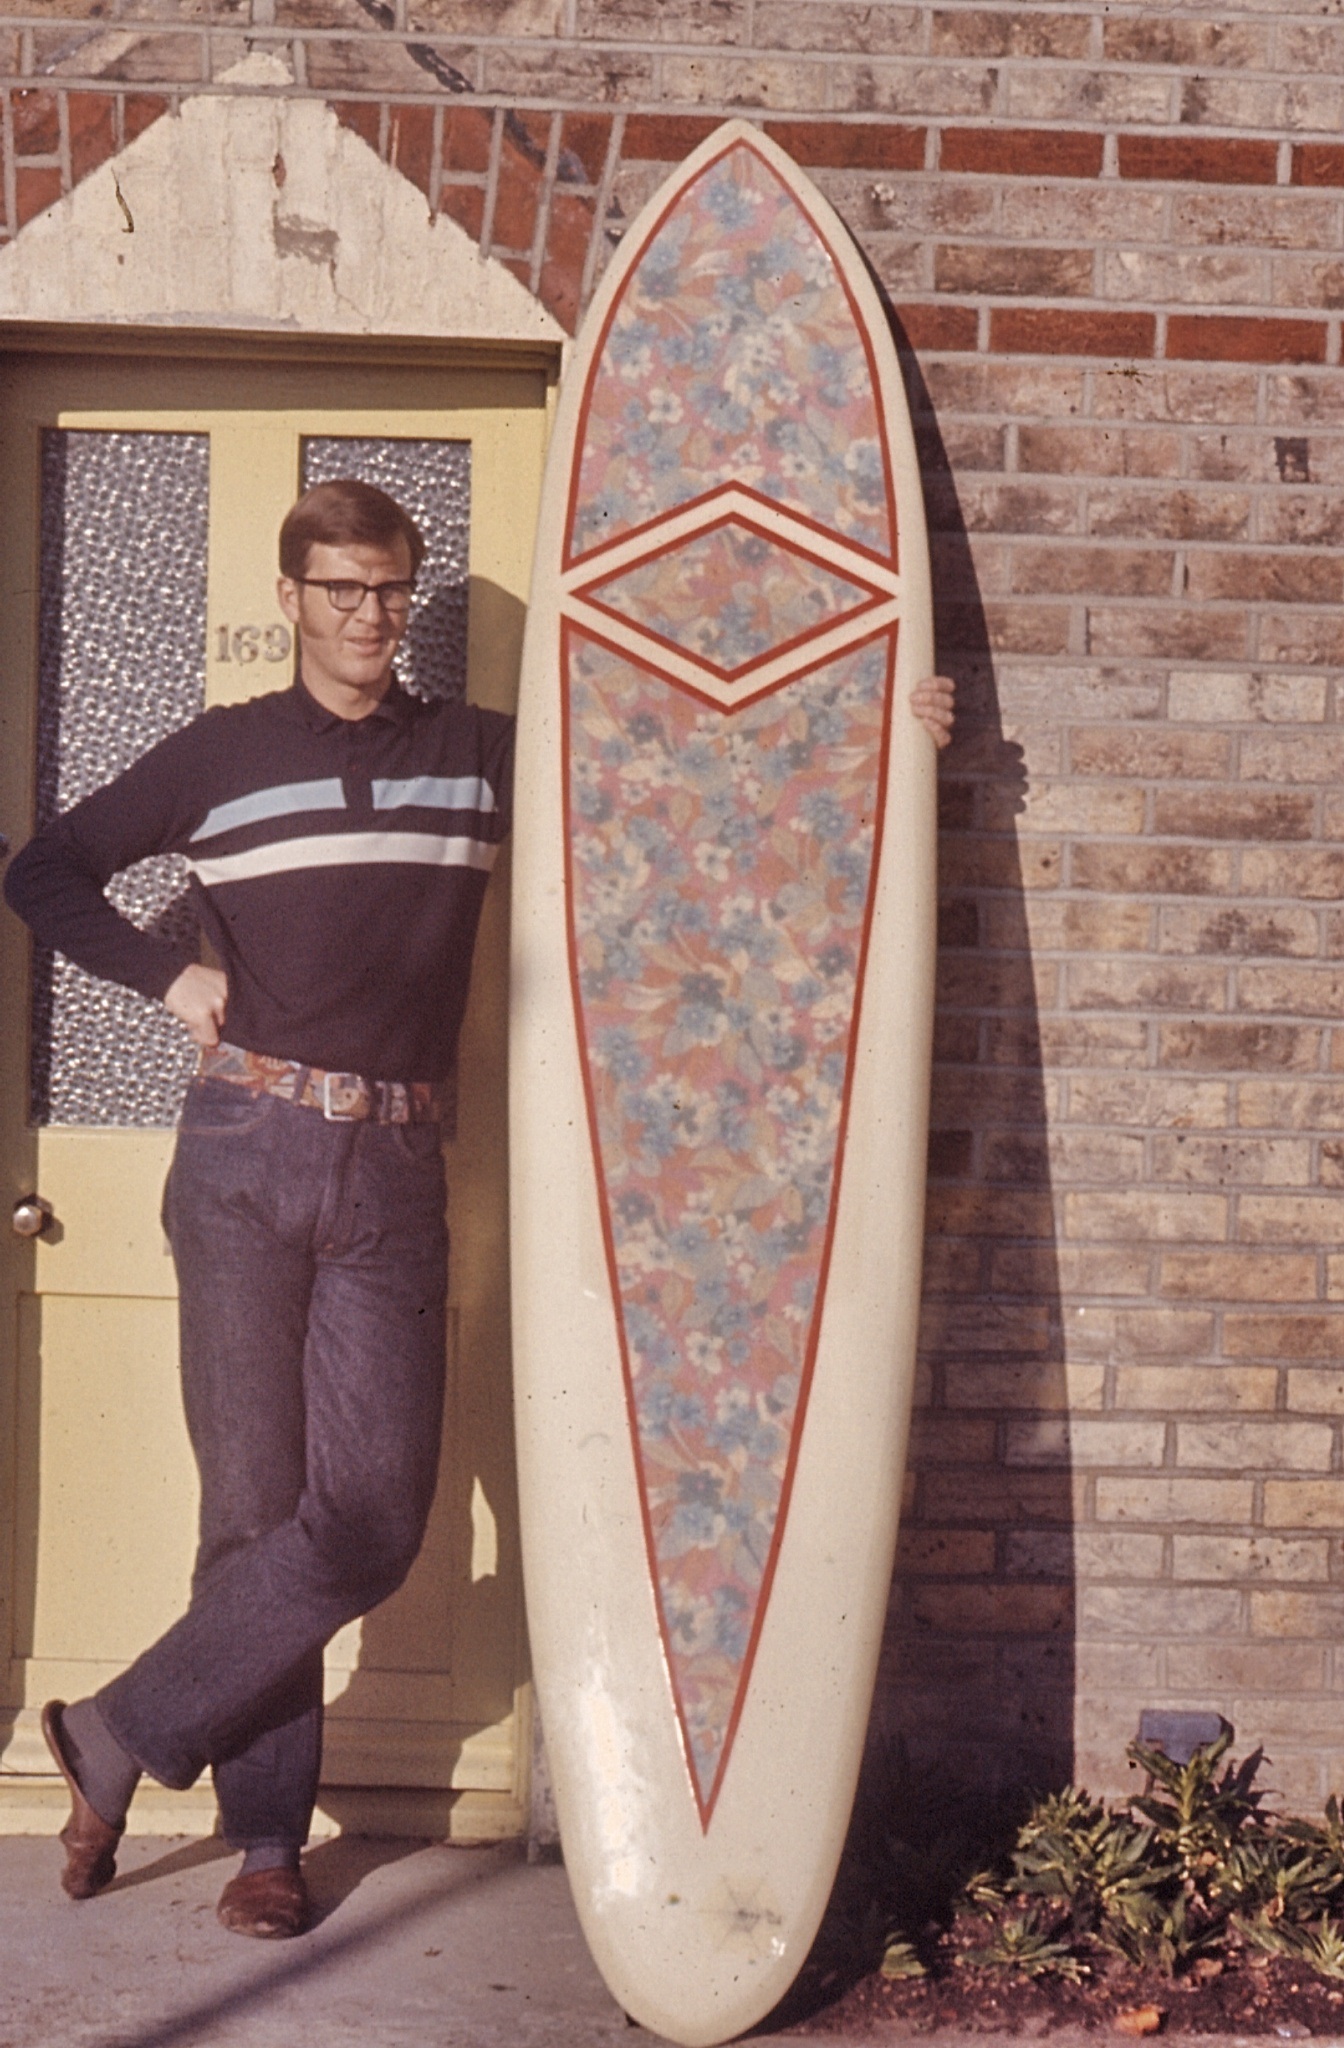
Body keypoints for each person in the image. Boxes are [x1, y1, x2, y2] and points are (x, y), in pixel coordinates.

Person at [3, 476, 956, 1940]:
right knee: (253, 1510)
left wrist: (879, 731)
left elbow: (676, 773)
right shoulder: (218, 756)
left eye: (389, 591)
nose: (367, 617)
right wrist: (160, 973)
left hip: (396, 1168)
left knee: (371, 1518)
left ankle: (121, 1731)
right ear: (292, 598)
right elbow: (42, 868)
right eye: (339, 590)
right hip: (245, 1149)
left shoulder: (480, 753)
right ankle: (267, 1844)